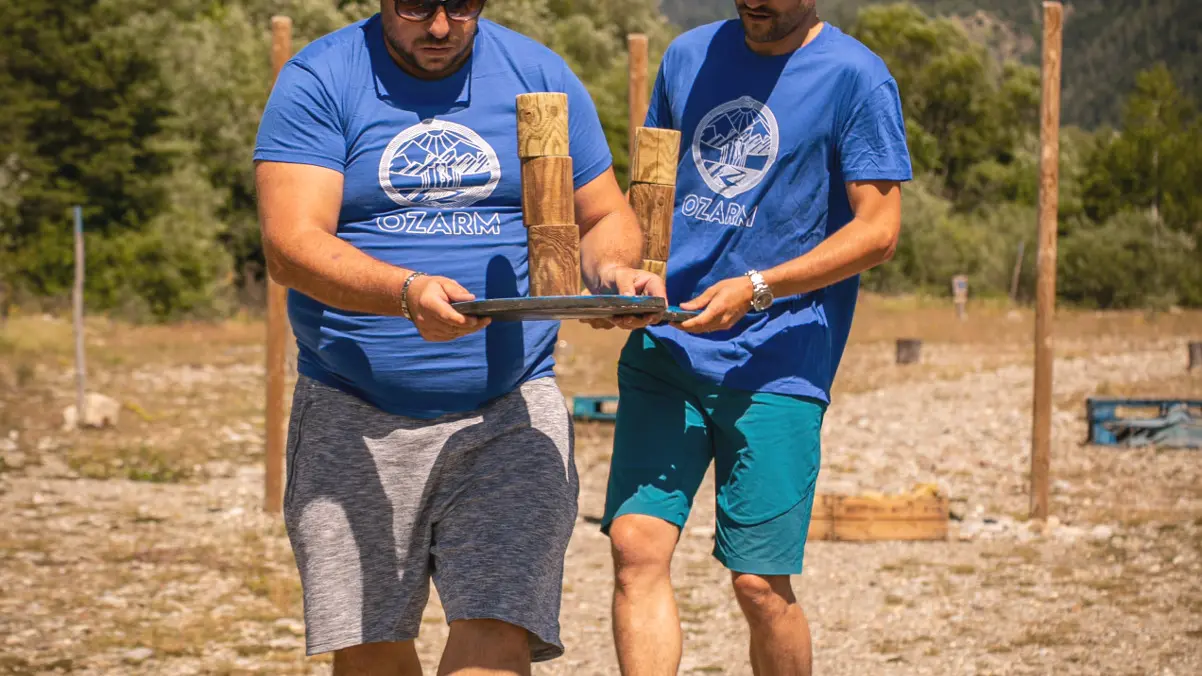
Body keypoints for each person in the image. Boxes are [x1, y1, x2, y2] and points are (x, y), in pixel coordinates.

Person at [253, 1, 663, 674]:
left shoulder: (537, 73)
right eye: (417, 6)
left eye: (463, 6)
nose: (441, 27)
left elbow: (604, 214)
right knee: (370, 645)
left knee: (498, 633)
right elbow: (290, 245)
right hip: (350, 411)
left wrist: (613, 271)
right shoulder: (321, 77)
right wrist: (404, 292)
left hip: (510, 409)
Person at [599, 1, 912, 674]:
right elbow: (651, 194)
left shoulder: (857, 77)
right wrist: (626, 274)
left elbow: (879, 231)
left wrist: (760, 286)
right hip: (667, 348)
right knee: (635, 552)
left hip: (778, 361)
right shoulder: (688, 56)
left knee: (759, 586)